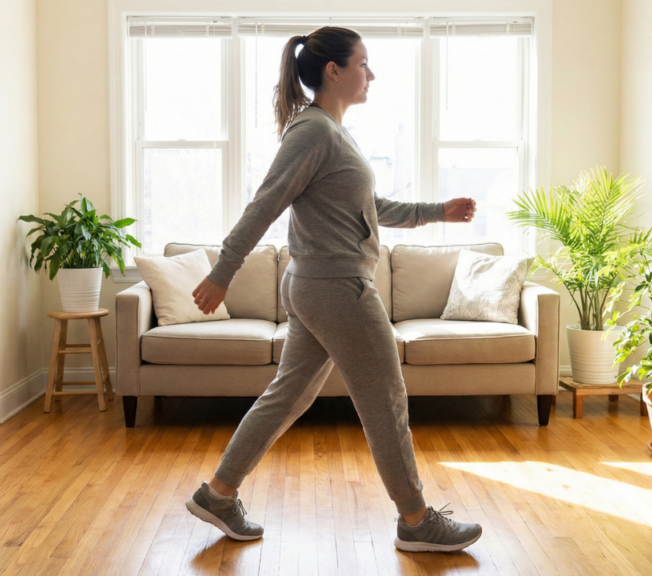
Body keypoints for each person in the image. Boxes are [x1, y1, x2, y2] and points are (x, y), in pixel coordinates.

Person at [184, 27, 482, 553]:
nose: (372, 74)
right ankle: (416, 521)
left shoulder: (333, 132)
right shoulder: (314, 132)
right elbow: (266, 203)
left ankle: (219, 493)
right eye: (364, 63)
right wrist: (222, 271)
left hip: (317, 284)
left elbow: (372, 210)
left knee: (287, 396)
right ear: (334, 71)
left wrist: (438, 212)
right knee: (386, 398)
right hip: (336, 286)